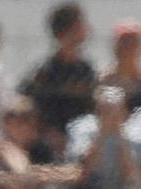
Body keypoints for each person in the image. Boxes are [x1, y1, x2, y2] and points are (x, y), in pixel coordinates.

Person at [20, 2, 97, 146]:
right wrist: (47, 132)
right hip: (49, 144)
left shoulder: (86, 70)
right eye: (78, 26)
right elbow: (27, 105)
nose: (85, 30)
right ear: (62, 32)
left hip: (82, 141)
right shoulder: (44, 72)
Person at [99, 19, 141, 112]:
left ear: (140, 48)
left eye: (132, 43)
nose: (127, 48)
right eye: (123, 42)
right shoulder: (103, 81)